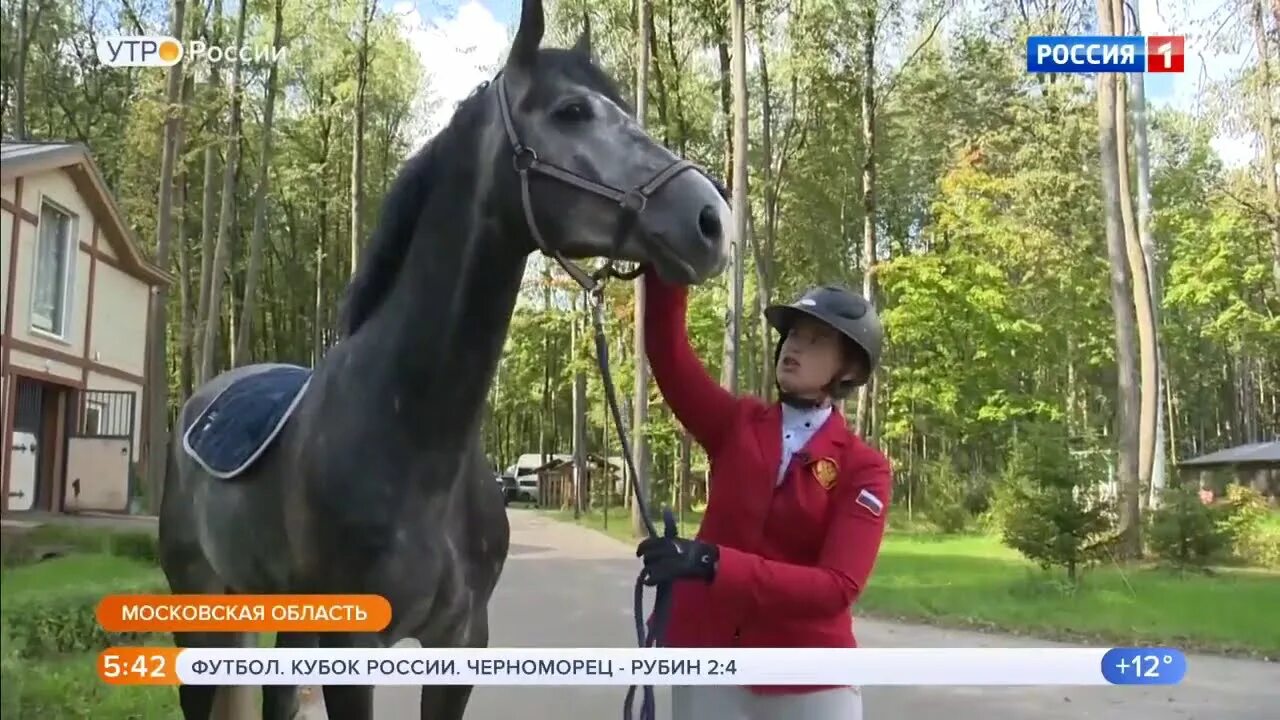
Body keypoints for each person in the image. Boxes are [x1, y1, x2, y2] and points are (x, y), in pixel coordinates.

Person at [635, 269, 892, 720]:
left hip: (809, 678)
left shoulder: (864, 469)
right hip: (709, 663)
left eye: (814, 340)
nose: (793, 346)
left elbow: (836, 587)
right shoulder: (737, 423)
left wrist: (712, 561)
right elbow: (668, 353)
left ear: (848, 368)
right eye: (792, 334)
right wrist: (665, 261)